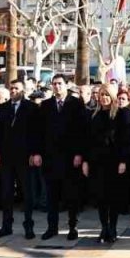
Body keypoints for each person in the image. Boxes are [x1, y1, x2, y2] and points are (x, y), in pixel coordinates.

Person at [32, 75, 87, 241]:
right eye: (54, 84)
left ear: (66, 85)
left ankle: (72, 227)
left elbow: (82, 131)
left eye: (60, 84)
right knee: (51, 196)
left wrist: (79, 153)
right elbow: (39, 132)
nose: (57, 87)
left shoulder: (76, 104)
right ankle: (52, 227)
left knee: (71, 195)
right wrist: (37, 153)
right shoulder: (46, 105)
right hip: (50, 158)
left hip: (70, 158)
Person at [85, 82, 130, 244]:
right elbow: (88, 141)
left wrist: (123, 161)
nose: (104, 98)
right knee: (100, 198)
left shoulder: (121, 114)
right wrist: (86, 161)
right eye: (102, 95)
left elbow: (126, 139)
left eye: (107, 95)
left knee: (113, 197)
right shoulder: (94, 115)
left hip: (114, 162)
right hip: (97, 162)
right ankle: (104, 228)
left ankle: (112, 228)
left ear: (113, 97)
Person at [0, 78, 36, 238]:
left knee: (27, 192)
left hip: (24, 156)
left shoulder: (31, 107)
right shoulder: (3, 108)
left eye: (16, 88)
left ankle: (29, 226)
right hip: (6, 156)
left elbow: (35, 133)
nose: (13, 91)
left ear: (23, 90)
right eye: (11, 88)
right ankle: (6, 225)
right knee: (6, 192)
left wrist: (34, 153)